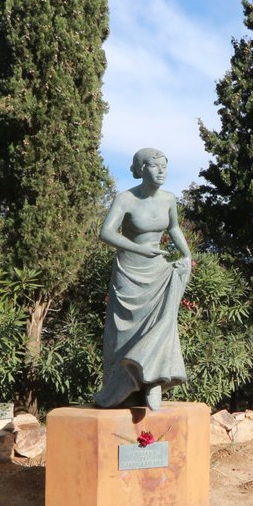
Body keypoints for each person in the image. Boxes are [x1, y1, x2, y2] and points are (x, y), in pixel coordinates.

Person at [95, 148, 192, 410]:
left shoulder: (169, 199)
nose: (161, 171)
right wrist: (138, 248)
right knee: (124, 335)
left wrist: (186, 255)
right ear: (141, 169)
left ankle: (153, 382)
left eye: (164, 166)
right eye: (154, 166)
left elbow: (173, 228)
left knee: (163, 323)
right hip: (129, 272)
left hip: (158, 270)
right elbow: (105, 232)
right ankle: (121, 390)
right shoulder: (125, 199)